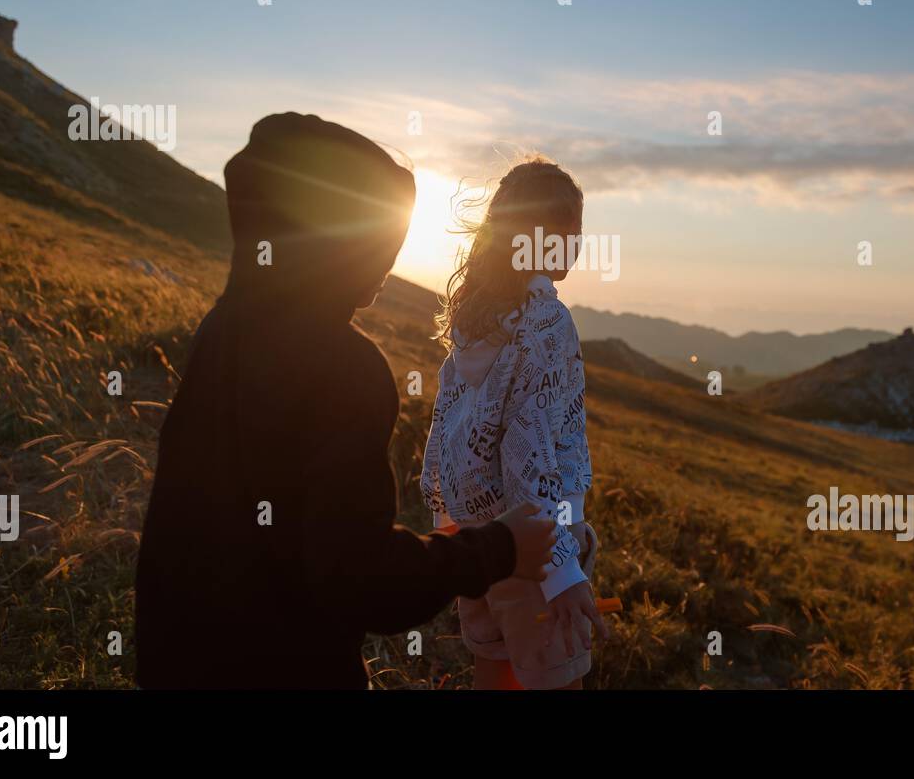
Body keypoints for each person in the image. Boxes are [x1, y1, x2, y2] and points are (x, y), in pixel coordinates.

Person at [134, 113, 555, 689]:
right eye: (379, 240)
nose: (387, 264)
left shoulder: (222, 329)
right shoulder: (346, 369)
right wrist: (500, 549)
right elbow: (360, 579)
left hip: (174, 663)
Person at [422, 156, 610, 690]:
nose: (578, 243)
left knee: (494, 677)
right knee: (558, 681)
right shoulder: (548, 322)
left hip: (481, 544)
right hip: (534, 549)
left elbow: (445, 433)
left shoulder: (475, 321)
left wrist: (448, 527)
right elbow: (530, 452)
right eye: (573, 230)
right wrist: (564, 574)